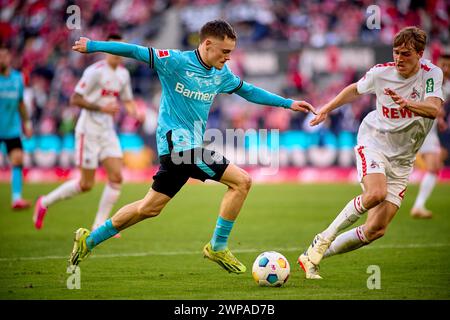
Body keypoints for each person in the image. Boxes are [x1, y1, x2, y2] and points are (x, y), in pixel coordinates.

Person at [68, 20, 315, 274]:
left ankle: (88, 240)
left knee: (148, 208)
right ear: (207, 44)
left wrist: (287, 103)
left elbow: (249, 91)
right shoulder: (175, 62)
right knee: (242, 182)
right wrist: (93, 46)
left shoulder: (221, 75)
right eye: (225, 51)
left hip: (185, 149)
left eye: (230, 52)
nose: (228, 58)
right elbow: (136, 51)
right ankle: (217, 246)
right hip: (178, 146)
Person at [298, 26, 444, 279]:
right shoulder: (381, 73)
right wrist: (327, 108)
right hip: (374, 142)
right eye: (396, 52)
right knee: (375, 193)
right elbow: (355, 89)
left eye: (406, 54)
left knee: (376, 229)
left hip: (403, 159)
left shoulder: (432, 74)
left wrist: (408, 104)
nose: (399, 58)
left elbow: (433, 109)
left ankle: (312, 256)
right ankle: (322, 239)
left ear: (420, 54)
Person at [33, 34, 142, 231]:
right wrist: (101, 109)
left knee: (116, 177)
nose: (118, 53)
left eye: (121, 48)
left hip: (107, 131)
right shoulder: (95, 72)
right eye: (114, 47)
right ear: (107, 49)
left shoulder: (123, 74)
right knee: (86, 184)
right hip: (88, 131)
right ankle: (44, 202)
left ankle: (99, 224)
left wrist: (136, 112)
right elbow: (75, 99)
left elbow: (127, 99)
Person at [410, 53, 450, 218]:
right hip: (412, 126)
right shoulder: (428, 78)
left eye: (449, 66)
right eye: (443, 65)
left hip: (429, 130)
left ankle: (418, 206)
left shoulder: (447, 87)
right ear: (437, 65)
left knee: (434, 167)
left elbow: (438, 106)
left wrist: (439, 118)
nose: (446, 69)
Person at [0, 45, 33, 210]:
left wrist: (27, 123)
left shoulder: (18, 78)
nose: (1, 60)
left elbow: (21, 103)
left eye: (4, 56)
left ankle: (16, 198)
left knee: (18, 159)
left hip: (12, 128)